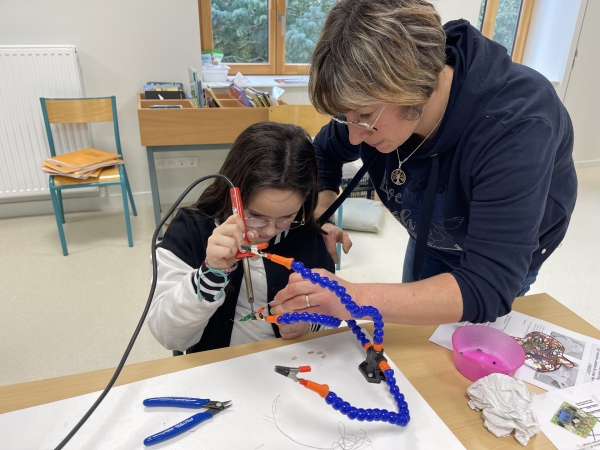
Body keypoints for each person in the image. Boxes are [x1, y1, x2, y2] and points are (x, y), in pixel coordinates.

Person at [270, 0, 577, 326]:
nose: (355, 137)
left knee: (464, 343)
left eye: (364, 117)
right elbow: (324, 153)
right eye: (345, 118)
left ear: (413, 89)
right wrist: (321, 215)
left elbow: (488, 286)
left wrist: (354, 298)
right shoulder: (370, 103)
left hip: (502, 249)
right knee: (417, 335)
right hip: (433, 232)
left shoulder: (517, 124)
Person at [148, 122, 334, 353]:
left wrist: (309, 324)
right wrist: (211, 273)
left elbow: (332, 314)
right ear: (233, 197)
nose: (269, 230)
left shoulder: (307, 235)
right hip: (215, 366)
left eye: (287, 216)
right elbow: (169, 336)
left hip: (286, 362)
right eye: (256, 215)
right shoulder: (190, 230)